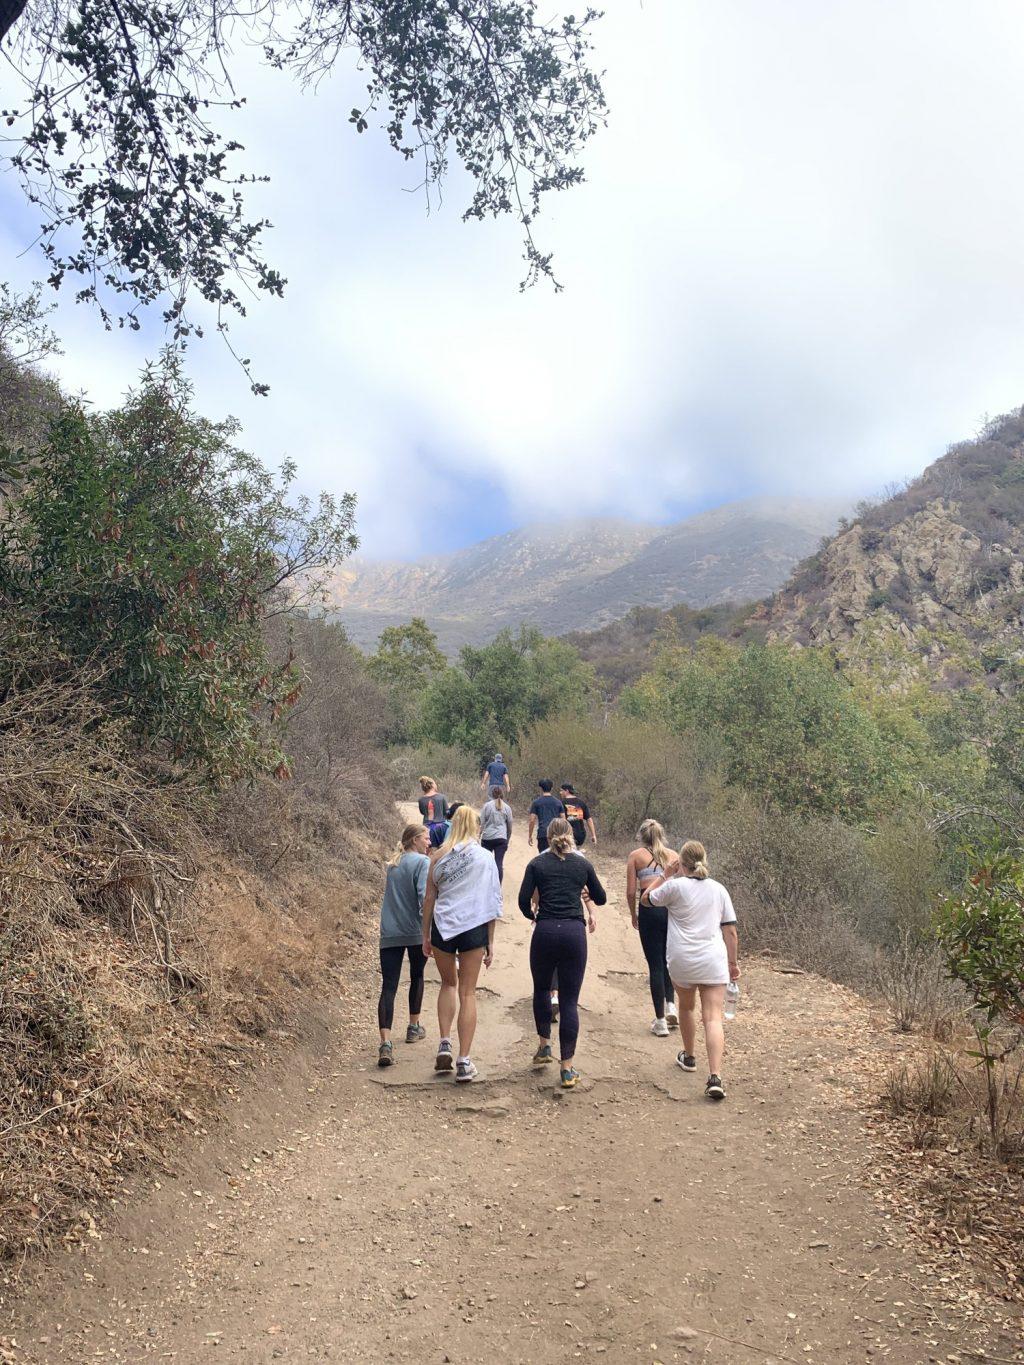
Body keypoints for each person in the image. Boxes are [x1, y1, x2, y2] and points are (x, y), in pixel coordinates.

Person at [640, 840, 740, 1102]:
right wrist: (733, 964)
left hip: (682, 959)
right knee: (713, 1018)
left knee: (686, 1007)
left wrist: (664, 875)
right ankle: (715, 1076)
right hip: (713, 960)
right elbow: (730, 931)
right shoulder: (719, 890)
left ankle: (689, 1055)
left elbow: (646, 899)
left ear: (680, 863)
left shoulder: (674, 887)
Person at [518, 817, 607, 1090]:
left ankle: (544, 1045)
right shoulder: (582, 864)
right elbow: (601, 897)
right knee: (569, 1001)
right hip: (573, 933)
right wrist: (582, 889)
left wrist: (534, 915)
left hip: (545, 931)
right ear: (570, 835)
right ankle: (567, 1068)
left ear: (547, 836)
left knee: (542, 989)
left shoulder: (536, 864)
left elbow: (523, 901)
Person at [421, 805, 502, 1084]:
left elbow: (429, 899)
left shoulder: (438, 856)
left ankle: (444, 1042)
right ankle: (464, 1062)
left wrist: (425, 934)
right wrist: (491, 940)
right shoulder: (485, 858)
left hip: (444, 926)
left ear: (453, 824)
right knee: (468, 992)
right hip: (474, 926)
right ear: (476, 826)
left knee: (448, 984)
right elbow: (492, 899)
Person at [377, 823, 431, 1067]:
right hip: (415, 931)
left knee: (389, 986)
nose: (429, 842)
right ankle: (413, 1026)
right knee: (417, 976)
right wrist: (429, 925)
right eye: (426, 838)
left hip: (390, 930)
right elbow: (423, 896)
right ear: (415, 840)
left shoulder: (393, 863)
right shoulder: (422, 862)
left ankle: (385, 1043)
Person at [626, 819, 679, 1037]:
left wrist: (633, 914)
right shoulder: (674, 856)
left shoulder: (636, 856)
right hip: (671, 910)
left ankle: (660, 1021)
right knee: (669, 960)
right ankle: (671, 1006)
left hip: (649, 908)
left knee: (655, 964)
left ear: (641, 835)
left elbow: (631, 892)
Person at [479, 785, 513, 882]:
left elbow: (482, 823)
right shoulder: (507, 808)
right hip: (501, 838)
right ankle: (498, 888)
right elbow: (510, 826)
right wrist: (507, 838)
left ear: (492, 795)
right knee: (499, 863)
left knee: (486, 864)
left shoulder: (487, 806)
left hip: (487, 838)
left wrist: (479, 835)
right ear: (502, 795)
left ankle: (486, 885)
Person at [528, 779, 564, 854]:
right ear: (551, 788)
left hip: (542, 833)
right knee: (556, 856)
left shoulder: (536, 803)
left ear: (541, 789)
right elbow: (564, 820)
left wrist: (530, 836)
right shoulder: (558, 802)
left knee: (544, 857)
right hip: (556, 833)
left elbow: (532, 820)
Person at [559, 783, 597, 849]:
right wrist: (593, 835)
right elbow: (589, 819)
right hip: (580, 835)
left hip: (567, 836)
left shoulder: (561, 803)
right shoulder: (581, 802)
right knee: (575, 852)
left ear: (567, 791)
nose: (560, 792)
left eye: (561, 790)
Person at [417, 776, 449, 842]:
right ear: (432, 785)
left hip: (426, 827)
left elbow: (422, 812)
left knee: (428, 848)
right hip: (440, 826)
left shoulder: (421, 800)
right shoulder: (442, 797)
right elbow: (447, 812)